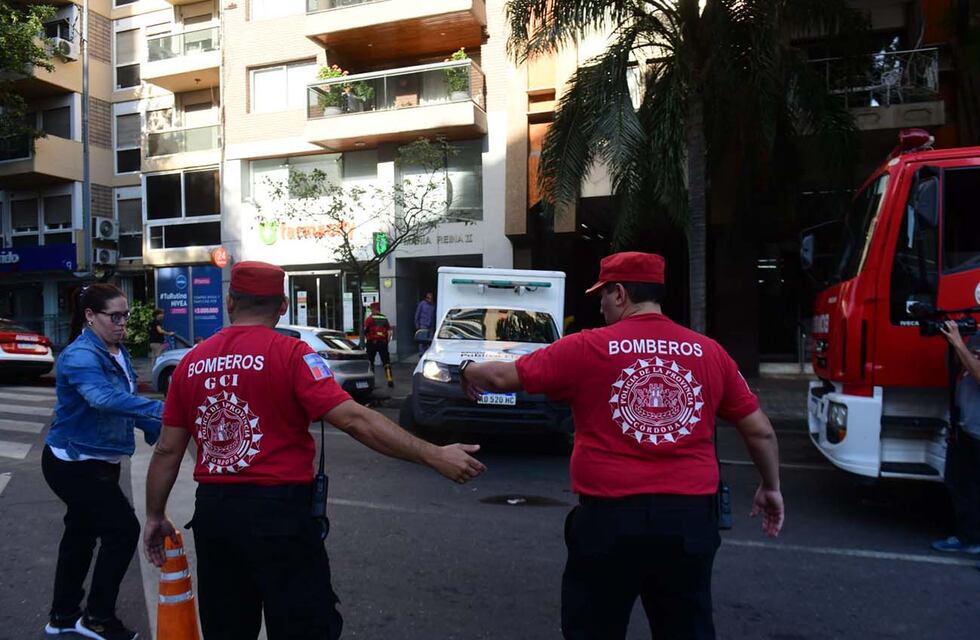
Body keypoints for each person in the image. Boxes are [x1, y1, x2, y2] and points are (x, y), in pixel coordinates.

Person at [143, 261, 485, 640]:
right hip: (280, 516)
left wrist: (155, 515)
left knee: (227, 626)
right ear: (284, 305)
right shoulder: (292, 355)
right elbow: (355, 419)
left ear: (229, 301)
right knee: (303, 625)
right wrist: (433, 454)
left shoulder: (192, 362)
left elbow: (167, 451)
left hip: (216, 516)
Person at [458, 252, 784, 640]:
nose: (599, 304)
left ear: (620, 293)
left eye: (602, 294)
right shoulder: (709, 352)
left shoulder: (587, 347)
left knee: (594, 628)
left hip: (609, 520)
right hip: (689, 521)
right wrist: (771, 486)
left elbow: (499, 376)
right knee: (686, 627)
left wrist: (467, 369)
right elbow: (760, 431)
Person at [42, 283, 163, 640]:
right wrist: (164, 408)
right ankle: (96, 618)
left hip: (100, 460)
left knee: (80, 535)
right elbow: (103, 398)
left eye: (125, 315)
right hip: (73, 461)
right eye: (115, 316)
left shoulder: (117, 350)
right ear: (92, 316)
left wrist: (158, 430)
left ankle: (62, 616)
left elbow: (125, 404)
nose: (123, 322)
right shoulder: (80, 355)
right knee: (122, 531)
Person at [931, 320, 980, 557]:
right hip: (966, 425)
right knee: (959, 484)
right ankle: (967, 538)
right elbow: (959, 368)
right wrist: (953, 344)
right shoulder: (977, 335)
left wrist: (959, 342)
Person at [364, 301, 394, 387]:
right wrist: (386, 341)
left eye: (372, 309)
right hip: (382, 343)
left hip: (371, 342)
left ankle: (372, 381)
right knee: (386, 362)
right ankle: (389, 379)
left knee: (370, 361)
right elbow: (389, 331)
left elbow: (366, 330)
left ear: (373, 309)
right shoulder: (384, 318)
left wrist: (367, 337)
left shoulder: (369, 319)